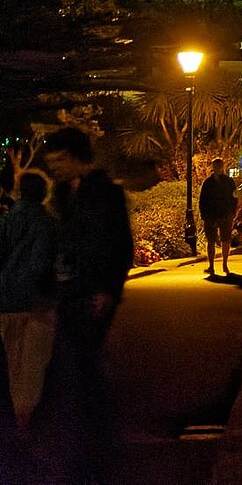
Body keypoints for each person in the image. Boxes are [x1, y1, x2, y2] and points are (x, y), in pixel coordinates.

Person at [38, 125, 133, 483]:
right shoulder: (63, 195)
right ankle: (90, 432)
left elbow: (120, 244)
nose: (56, 168)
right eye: (52, 162)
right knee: (75, 360)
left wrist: (108, 289)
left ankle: (93, 440)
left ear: (78, 157)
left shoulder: (105, 194)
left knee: (81, 360)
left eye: (61, 160)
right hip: (69, 288)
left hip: (93, 290)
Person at [0, 168, 56, 431]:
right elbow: (43, 262)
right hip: (35, 303)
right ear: (43, 192)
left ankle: (14, 412)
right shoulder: (46, 222)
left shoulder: (7, 220)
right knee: (33, 363)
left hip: (7, 299)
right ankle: (26, 415)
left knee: (12, 359)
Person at [198, 158, 238, 278]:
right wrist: (204, 214)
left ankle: (224, 264)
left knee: (224, 239)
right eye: (216, 166)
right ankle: (212, 265)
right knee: (212, 240)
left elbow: (234, 197)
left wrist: (232, 211)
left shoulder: (227, 181)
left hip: (223, 214)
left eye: (219, 166)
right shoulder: (209, 182)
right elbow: (203, 199)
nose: (217, 168)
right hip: (212, 214)